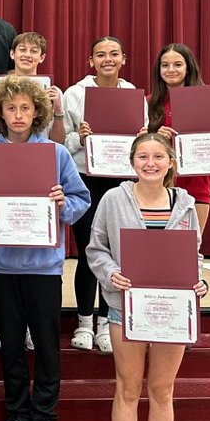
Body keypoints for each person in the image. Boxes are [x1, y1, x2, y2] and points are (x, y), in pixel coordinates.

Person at [0, 77, 90, 421]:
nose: (18, 115)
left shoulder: (56, 154)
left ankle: (44, 418)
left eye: (25, 108)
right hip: (0, 266)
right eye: (11, 108)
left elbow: (81, 200)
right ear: (0, 112)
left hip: (43, 267)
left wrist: (62, 204)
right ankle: (16, 414)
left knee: (46, 345)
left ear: (37, 111)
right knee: (11, 345)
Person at [85, 133, 208, 421]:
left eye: (158, 157)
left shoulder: (185, 203)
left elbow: (194, 254)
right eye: (142, 157)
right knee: (127, 387)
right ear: (132, 162)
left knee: (162, 389)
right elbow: (96, 248)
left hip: (173, 309)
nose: (150, 163)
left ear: (170, 163)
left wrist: (199, 281)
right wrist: (111, 274)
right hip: (125, 307)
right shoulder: (113, 199)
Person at [61, 36, 143, 354]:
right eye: (100, 54)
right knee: (88, 251)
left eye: (113, 54)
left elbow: (142, 144)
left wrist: (140, 137)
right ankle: (84, 322)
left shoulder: (133, 95)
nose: (107, 59)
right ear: (90, 61)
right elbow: (61, 141)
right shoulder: (74, 94)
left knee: (115, 254)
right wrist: (79, 138)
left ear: (123, 59)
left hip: (121, 182)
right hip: (85, 180)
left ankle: (107, 323)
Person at [146, 43, 210, 233]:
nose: (170, 70)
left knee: (191, 244)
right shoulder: (148, 103)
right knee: (159, 243)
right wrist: (155, 137)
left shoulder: (208, 100)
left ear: (188, 68)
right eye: (165, 65)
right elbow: (138, 147)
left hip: (197, 186)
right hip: (157, 186)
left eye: (177, 64)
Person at [0, 32, 66, 146]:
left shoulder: (54, 93)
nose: (27, 55)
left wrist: (58, 110)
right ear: (12, 54)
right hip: (2, 151)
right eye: (22, 50)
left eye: (34, 51)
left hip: (41, 153)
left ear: (42, 57)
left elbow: (58, 143)